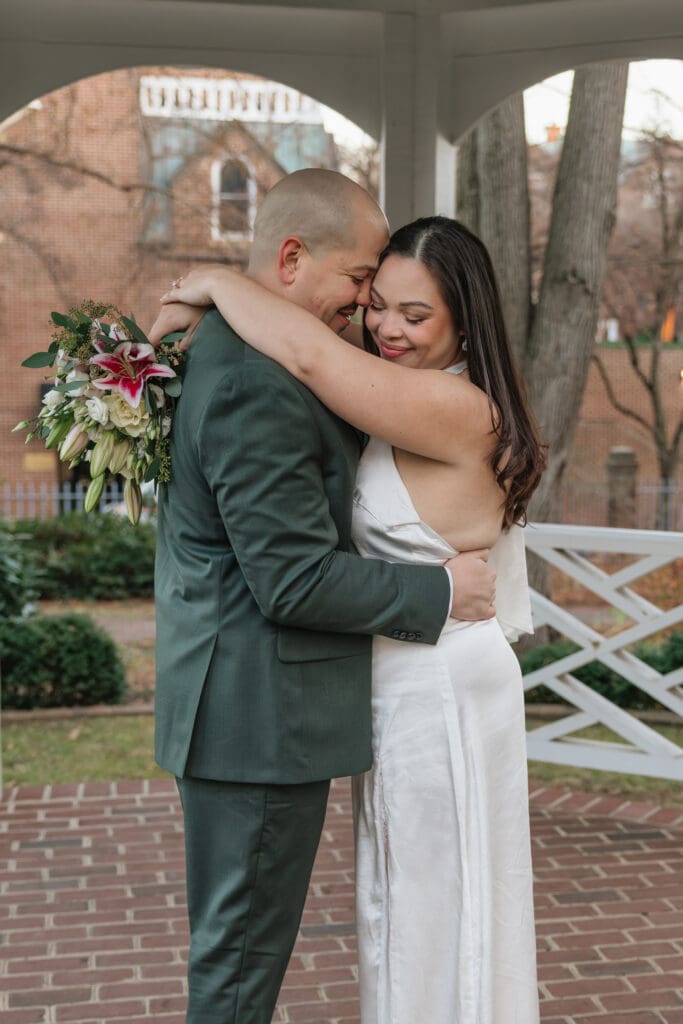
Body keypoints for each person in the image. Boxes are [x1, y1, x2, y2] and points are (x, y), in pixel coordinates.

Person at [157, 212, 546, 1023]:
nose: (385, 328)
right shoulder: (380, 388)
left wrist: (221, 283)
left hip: (441, 682)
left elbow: (304, 350)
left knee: (440, 905)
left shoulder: (450, 405)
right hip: (398, 680)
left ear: (464, 322)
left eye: (415, 315)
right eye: (378, 304)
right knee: (398, 904)